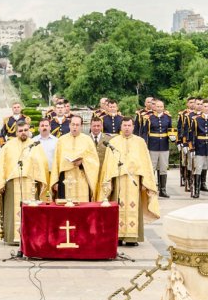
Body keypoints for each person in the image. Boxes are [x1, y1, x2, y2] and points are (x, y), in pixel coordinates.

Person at [97, 117, 160, 246]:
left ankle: (132, 238)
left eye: (129, 125)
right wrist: (109, 180)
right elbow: (109, 164)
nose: (126, 128)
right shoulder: (114, 142)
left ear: (133, 127)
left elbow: (146, 163)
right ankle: (118, 236)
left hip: (134, 181)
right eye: (124, 125)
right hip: (119, 179)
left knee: (134, 207)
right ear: (121, 127)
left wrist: (145, 182)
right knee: (118, 207)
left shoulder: (140, 142)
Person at [0, 119, 49, 245]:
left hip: (31, 184)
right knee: (13, 211)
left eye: (26, 130)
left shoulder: (35, 145)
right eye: (20, 131)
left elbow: (42, 164)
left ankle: (32, 237)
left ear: (29, 131)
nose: (23, 133)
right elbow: (2, 166)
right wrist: (1, 183)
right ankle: (13, 238)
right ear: (16, 133)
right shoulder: (8, 146)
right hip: (13, 184)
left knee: (31, 211)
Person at [51, 115, 100, 203]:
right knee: (65, 208)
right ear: (69, 125)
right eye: (73, 124)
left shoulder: (88, 140)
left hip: (82, 179)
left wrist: (82, 162)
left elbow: (94, 162)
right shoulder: (61, 140)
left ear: (81, 126)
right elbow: (56, 162)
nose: (75, 127)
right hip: (65, 179)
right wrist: (55, 181)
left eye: (77, 125)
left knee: (82, 208)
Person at [144, 99, 174, 198]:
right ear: (154, 107)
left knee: (163, 168)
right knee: (151, 168)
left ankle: (163, 190)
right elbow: (146, 132)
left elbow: (170, 130)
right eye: (158, 106)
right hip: (153, 145)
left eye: (161, 106)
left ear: (163, 107)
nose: (160, 108)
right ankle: (151, 188)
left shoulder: (168, 118)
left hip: (164, 145)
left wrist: (173, 138)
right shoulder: (149, 118)